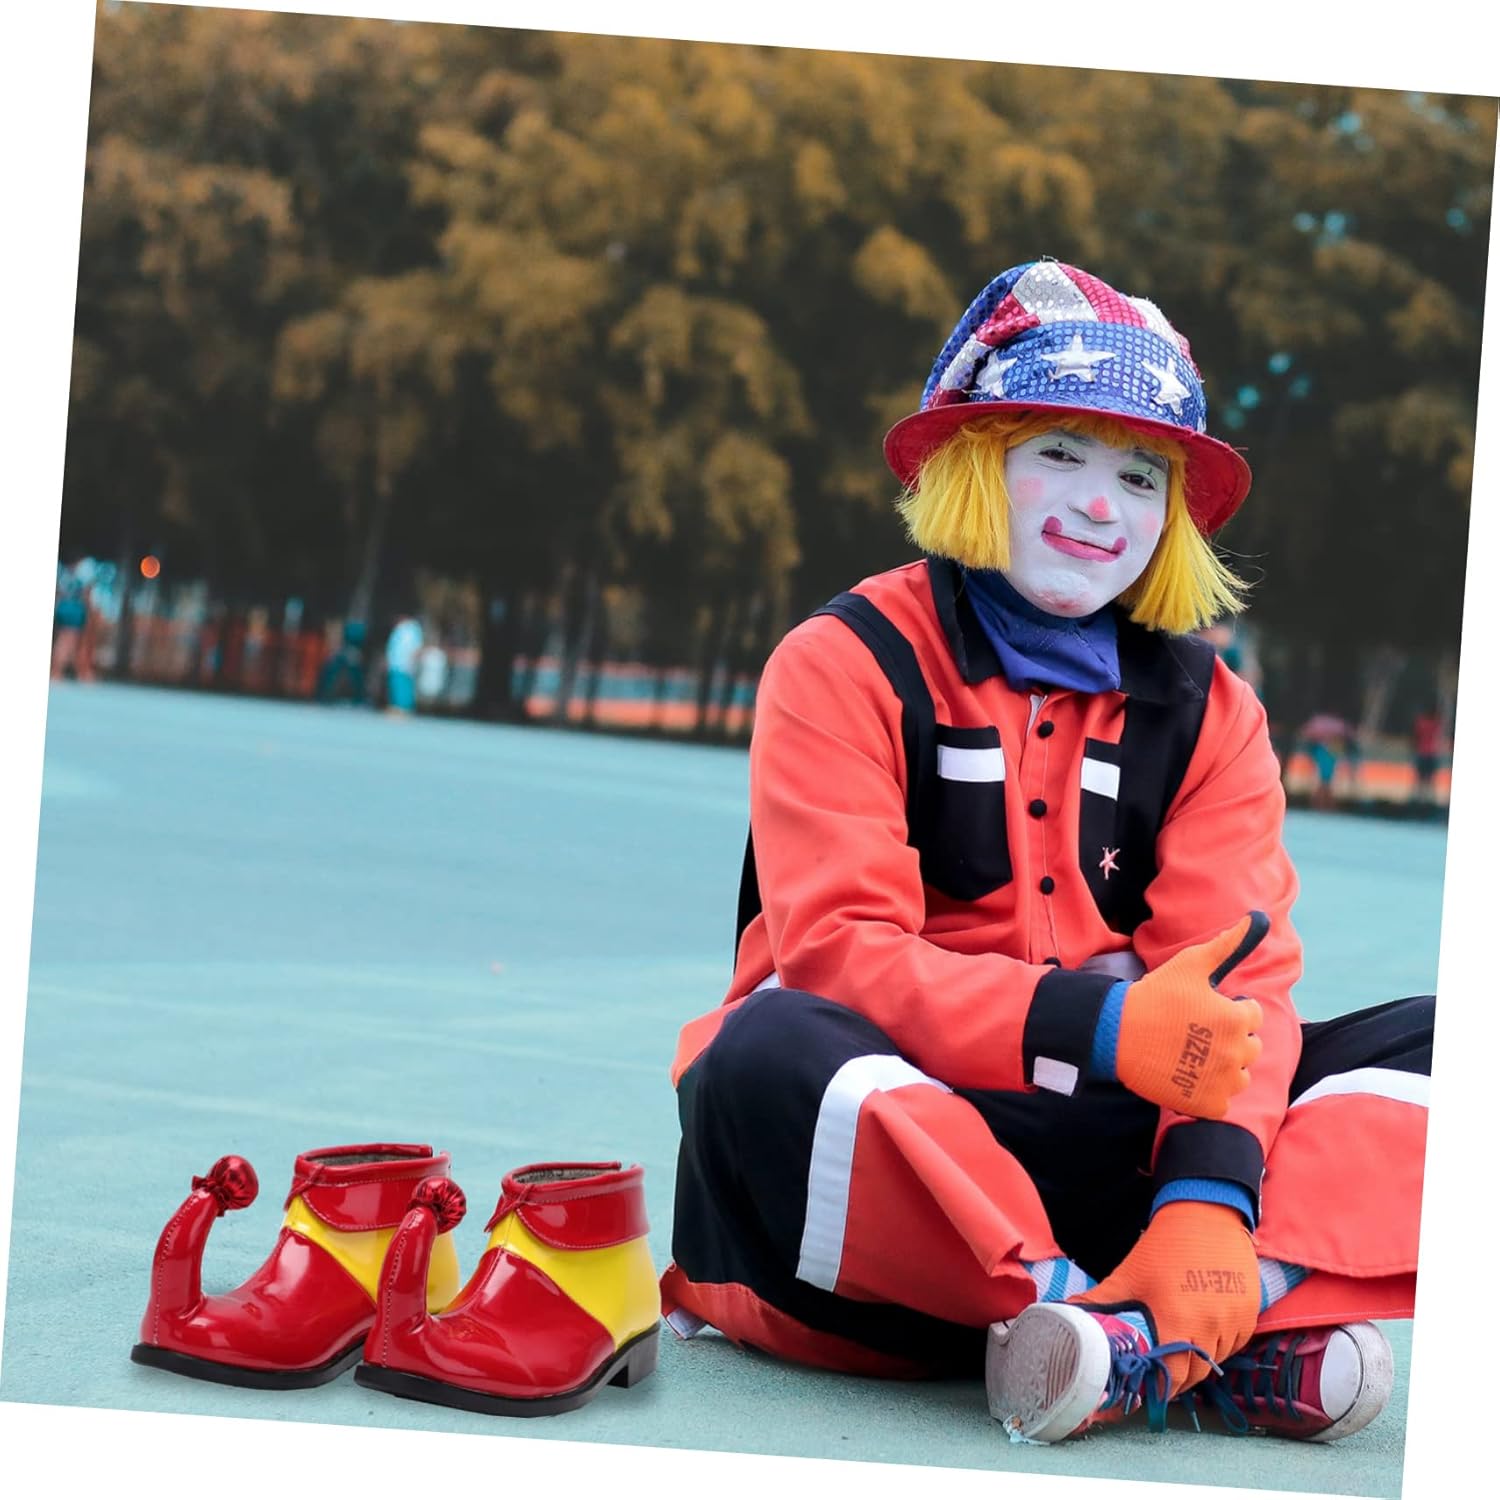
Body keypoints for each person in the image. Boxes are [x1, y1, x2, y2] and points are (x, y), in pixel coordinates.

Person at [661, 261, 1431, 1445]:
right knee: (759, 1049)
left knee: (1447, 1043)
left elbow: (1238, 993)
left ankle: (1188, 1312)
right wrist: (1101, 1026)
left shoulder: (1218, 715)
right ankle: (1105, 1322)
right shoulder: (840, 660)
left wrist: (1209, 1195)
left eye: (1140, 477)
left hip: (1128, 1169)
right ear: (977, 462)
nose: (1101, 507)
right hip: (900, 1190)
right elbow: (839, 956)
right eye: (1060, 454)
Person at [384, 611, 424, 716]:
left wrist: (412, 661)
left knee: (403, 686)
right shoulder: (400, 629)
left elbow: (416, 647)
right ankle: (396, 706)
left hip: (405, 663)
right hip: (395, 663)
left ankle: (403, 708)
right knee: (396, 685)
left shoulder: (412, 629)